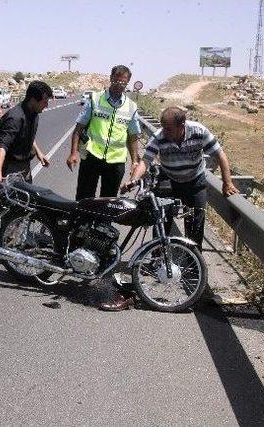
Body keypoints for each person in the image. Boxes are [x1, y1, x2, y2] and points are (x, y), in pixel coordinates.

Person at [98, 106, 240, 311]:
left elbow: (220, 155)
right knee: (160, 219)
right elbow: (145, 161)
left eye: (169, 129)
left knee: (195, 223)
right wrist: (133, 180)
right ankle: (158, 260)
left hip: (194, 181)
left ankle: (193, 265)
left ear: (182, 125)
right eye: (163, 128)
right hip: (169, 180)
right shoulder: (160, 135)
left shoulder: (199, 131)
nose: (164, 132)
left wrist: (227, 182)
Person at [66, 65, 141, 200]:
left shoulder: (131, 106)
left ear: (127, 83)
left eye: (123, 82)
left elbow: (133, 136)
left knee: (108, 201)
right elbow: (79, 128)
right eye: (116, 81)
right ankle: (82, 221)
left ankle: (102, 222)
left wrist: (135, 161)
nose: (119, 85)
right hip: (92, 156)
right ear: (111, 78)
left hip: (116, 162)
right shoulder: (95, 99)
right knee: (84, 199)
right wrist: (74, 152)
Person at [0, 81, 52, 184]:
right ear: (33, 100)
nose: (47, 105)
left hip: (25, 167)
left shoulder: (34, 114)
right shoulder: (15, 118)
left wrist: (39, 153)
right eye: (44, 102)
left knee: (28, 199)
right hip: (11, 170)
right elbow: (2, 145)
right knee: (13, 199)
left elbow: (27, 135)